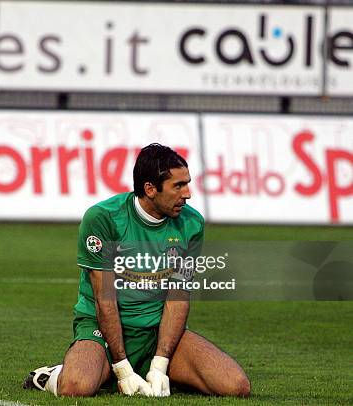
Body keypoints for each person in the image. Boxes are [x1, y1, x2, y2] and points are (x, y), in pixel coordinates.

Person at [23, 144, 250, 398]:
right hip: (102, 332)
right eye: (178, 186)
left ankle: (148, 371)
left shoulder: (192, 223)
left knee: (236, 386)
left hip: (155, 333)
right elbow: (104, 300)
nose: (188, 194)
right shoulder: (103, 218)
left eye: (187, 183)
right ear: (150, 189)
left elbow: (178, 296)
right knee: (76, 387)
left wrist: (160, 363)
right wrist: (122, 369)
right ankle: (54, 374)